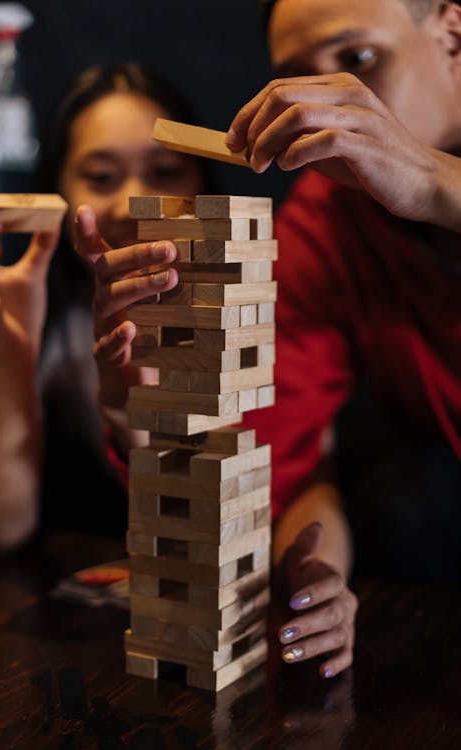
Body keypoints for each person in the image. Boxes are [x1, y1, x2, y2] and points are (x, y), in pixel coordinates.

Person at [83, 0, 461, 681]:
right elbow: (275, 455)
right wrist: (313, 574)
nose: (329, 106)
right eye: (296, 78)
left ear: (452, 32)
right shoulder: (326, 222)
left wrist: (433, 181)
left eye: (358, 60)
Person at [0, 62, 208, 550]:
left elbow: (206, 529)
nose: (134, 203)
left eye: (164, 172)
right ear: (60, 192)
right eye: (100, 177)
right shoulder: (42, 310)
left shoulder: (252, 310)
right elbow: (0, 528)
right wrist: (14, 358)